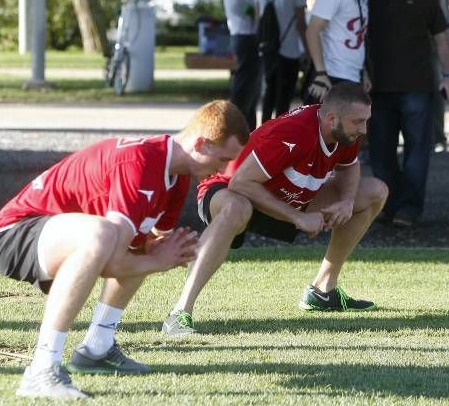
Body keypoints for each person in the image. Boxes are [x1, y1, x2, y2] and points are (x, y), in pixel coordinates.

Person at [0, 101, 250, 398]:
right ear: (202, 143)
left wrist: (162, 252)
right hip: (14, 232)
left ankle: (98, 346)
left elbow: (145, 248)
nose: (224, 169)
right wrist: (158, 261)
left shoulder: (177, 177)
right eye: (224, 159)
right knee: (106, 235)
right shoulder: (139, 162)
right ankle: (42, 369)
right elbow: (111, 261)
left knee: (141, 241)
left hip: (60, 234)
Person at [162, 82, 388, 336]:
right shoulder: (296, 132)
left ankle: (323, 290)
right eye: (358, 121)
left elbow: (348, 166)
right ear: (332, 118)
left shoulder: (344, 130)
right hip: (231, 189)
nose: (364, 129)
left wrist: (347, 200)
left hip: (284, 195)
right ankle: (180, 312)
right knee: (236, 208)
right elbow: (241, 182)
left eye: (365, 120)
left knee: (375, 191)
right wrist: (297, 217)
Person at [366, 0, 449, 227]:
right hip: (378, 88)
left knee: (417, 151)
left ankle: (409, 208)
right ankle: (388, 204)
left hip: (418, 86)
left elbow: (441, 38)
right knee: (381, 152)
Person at [305, 0, 373, 103]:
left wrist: (363, 71)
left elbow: (357, 34)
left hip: (353, 77)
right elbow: (312, 31)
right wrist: (321, 73)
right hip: (332, 78)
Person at [255, 0, 309, 123]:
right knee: (283, 98)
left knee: (268, 94)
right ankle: (279, 135)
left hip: (267, 48)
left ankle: (263, 134)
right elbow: (300, 24)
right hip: (288, 49)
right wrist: (308, 50)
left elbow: (259, 16)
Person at [412, 0, 449, 153]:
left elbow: (443, 13)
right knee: (435, 92)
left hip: (428, 43)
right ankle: (436, 137)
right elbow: (445, 15)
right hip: (431, 42)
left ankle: (433, 136)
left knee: (433, 92)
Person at [225, 0, 262, 129]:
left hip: (245, 35)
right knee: (244, 86)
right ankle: (235, 128)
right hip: (245, 36)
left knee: (250, 87)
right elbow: (253, 9)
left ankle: (248, 128)